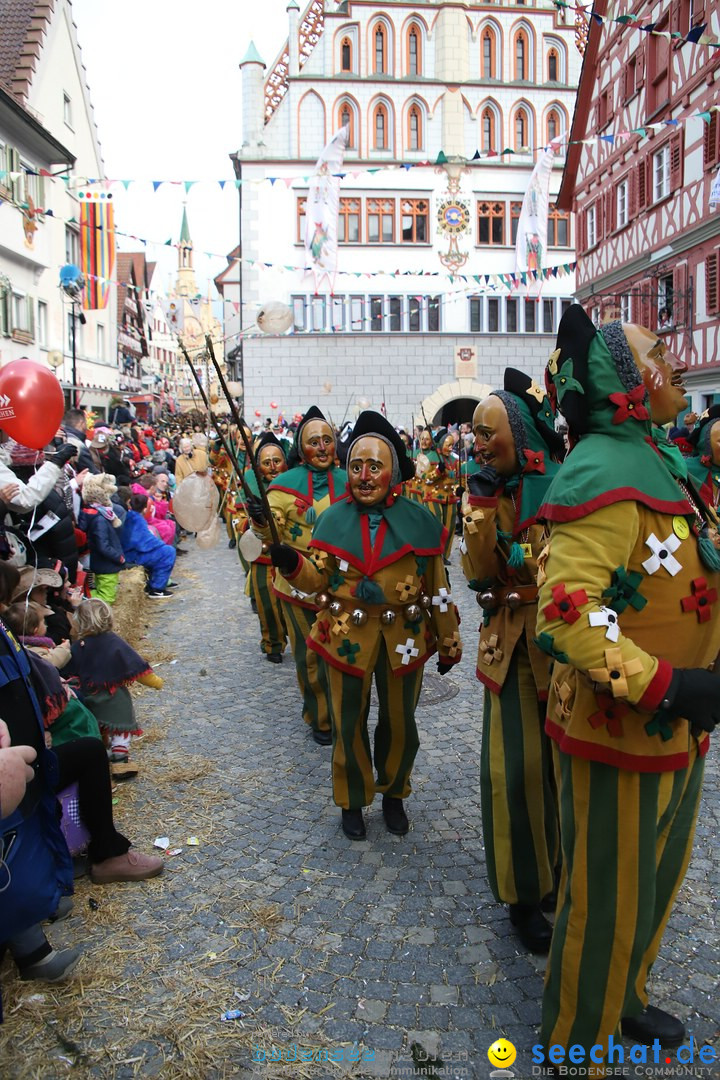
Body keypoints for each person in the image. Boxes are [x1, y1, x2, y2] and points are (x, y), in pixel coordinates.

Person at [535, 306, 720, 1061]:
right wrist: (669, 687)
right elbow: (568, 613)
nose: (672, 358)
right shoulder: (604, 470)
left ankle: (625, 996)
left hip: (682, 723)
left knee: (655, 884)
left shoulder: (665, 459)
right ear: (622, 382)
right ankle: (577, 1044)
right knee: (606, 898)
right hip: (624, 728)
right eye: (655, 351)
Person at [269, 411, 463, 840]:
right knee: (347, 719)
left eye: (374, 467)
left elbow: (437, 589)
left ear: (392, 471)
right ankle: (353, 799)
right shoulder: (333, 518)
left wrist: (449, 641)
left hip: (404, 639)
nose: (363, 475)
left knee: (399, 721)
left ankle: (394, 793)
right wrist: (291, 563)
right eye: (356, 466)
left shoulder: (421, 520)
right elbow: (317, 578)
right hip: (344, 636)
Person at [460, 369, 565, 952]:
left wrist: (520, 561)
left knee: (561, 770)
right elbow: (478, 572)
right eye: (475, 433)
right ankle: (525, 895)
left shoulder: (564, 483)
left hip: (562, 643)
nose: (478, 443)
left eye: (486, 432)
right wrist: (479, 509)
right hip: (510, 646)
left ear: (518, 431)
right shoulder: (484, 491)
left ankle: (559, 877)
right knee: (515, 771)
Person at [250, 406, 347, 745]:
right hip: (296, 584)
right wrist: (261, 520)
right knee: (309, 654)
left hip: (341, 584)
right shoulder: (283, 486)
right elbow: (267, 534)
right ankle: (320, 717)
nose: (322, 447)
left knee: (342, 650)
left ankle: (344, 710)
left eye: (327, 440)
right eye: (314, 442)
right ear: (301, 449)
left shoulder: (352, 482)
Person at [62, 598, 164, 779]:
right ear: (108, 618)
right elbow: (136, 667)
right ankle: (120, 759)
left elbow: (66, 671)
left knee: (94, 728)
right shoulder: (114, 642)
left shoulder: (78, 646)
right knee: (121, 727)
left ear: (79, 622)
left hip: (88, 698)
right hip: (113, 698)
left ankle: (101, 754)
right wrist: (156, 682)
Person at [241, 432, 288, 663]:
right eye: (266, 463)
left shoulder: (293, 486)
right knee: (267, 605)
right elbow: (242, 519)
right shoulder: (251, 486)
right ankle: (273, 644)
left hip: (290, 554)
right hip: (262, 555)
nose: (272, 467)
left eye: (277, 461)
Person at [118, 490, 176, 598]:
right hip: (133, 555)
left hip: (129, 552)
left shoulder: (132, 516)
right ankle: (156, 588)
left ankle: (154, 584)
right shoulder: (137, 520)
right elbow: (143, 542)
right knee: (168, 552)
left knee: (164, 551)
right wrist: (161, 545)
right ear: (145, 509)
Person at [78, 474, 126, 604]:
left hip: (103, 563)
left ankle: (87, 597)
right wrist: (118, 557)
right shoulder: (100, 518)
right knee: (107, 597)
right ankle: (86, 600)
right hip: (107, 564)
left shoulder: (99, 513)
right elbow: (102, 544)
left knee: (102, 590)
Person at [61, 409, 98, 474]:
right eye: (85, 422)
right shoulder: (79, 445)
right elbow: (91, 472)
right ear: (81, 423)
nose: (87, 426)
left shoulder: (61, 438)